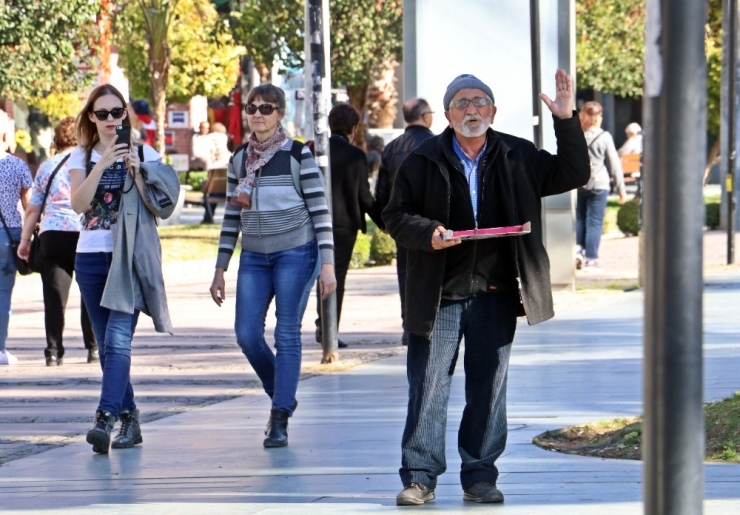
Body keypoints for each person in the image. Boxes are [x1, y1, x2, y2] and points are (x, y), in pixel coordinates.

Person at [383, 70, 589, 506]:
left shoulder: (518, 154)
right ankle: (420, 476)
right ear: (446, 114)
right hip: (439, 294)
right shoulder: (422, 159)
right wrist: (430, 232)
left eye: (479, 102)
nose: (471, 109)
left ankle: (479, 475)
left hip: (496, 292)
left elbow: (573, 171)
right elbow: (395, 216)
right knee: (429, 385)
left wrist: (567, 121)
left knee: (489, 387)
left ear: (493, 111)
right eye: (462, 102)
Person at [209, 84, 336, 448]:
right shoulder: (238, 159)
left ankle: (279, 416)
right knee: (247, 335)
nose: (258, 114)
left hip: (296, 251)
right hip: (253, 255)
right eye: (252, 107)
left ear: (280, 113)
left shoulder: (298, 155)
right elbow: (232, 215)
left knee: (286, 333)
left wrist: (327, 264)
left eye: (266, 108)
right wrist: (220, 267)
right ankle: (282, 393)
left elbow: (320, 212)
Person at [69, 84, 177, 454]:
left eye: (118, 113)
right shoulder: (79, 158)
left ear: (126, 115)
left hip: (127, 258)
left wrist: (137, 170)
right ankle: (130, 417)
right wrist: (102, 163)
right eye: (103, 114)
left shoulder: (147, 153)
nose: (112, 120)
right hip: (90, 259)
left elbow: (161, 206)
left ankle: (105, 417)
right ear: (91, 118)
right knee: (106, 348)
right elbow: (80, 205)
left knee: (117, 341)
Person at [17, 117, 98, 367]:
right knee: (90, 293)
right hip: (85, 233)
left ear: (57, 139)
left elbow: (33, 208)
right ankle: (93, 348)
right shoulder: (89, 163)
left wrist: (25, 240)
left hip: (53, 235)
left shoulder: (46, 166)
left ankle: (53, 351)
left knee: (54, 297)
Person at [314, 103, 384, 349]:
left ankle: (321, 324)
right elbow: (365, 198)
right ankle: (328, 329)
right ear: (353, 129)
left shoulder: (315, 151)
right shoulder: (357, 156)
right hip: (344, 226)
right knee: (337, 277)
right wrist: (384, 223)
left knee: (317, 274)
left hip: (314, 222)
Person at [375, 98, 435, 346]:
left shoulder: (391, 148)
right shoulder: (437, 144)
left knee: (406, 274)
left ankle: (409, 327)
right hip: (435, 222)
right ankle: (433, 323)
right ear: (426, 116)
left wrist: (386, 223)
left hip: (403, 224)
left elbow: (381, 191)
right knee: (435, 272)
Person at [577, 101, 626, 269]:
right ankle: (591, 258)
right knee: (595, 222)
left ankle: (579, 250)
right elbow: (614, 163)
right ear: (597, 117)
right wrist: (621, 189)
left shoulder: (578, 134)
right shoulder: (604, 136)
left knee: (581, 219)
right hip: (599, 183)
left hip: (580, 183)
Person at [0, 120, 33, 366]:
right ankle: (0, 350)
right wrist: (28, 237)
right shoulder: (17, 165)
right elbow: (29, 206)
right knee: (2, 294)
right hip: (8, 236)